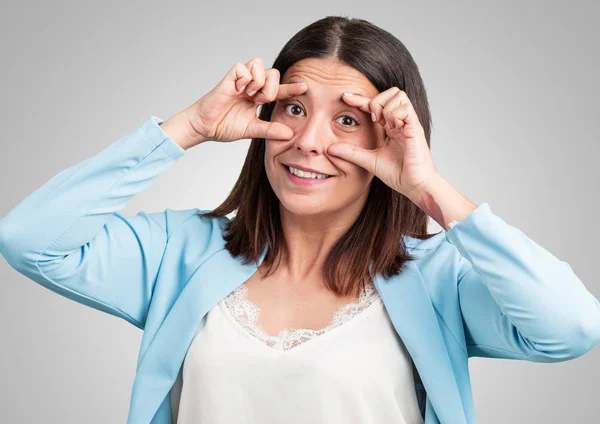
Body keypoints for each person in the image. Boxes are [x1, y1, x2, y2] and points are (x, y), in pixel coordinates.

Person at [0, 15, 599, 424]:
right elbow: (30, 239)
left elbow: (570, 327)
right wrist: (188, 128)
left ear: (389, 137)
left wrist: (429, 189)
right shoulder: (177, 252)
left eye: (345, 120)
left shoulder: (442, 279)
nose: (307, 142)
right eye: (294, 108)